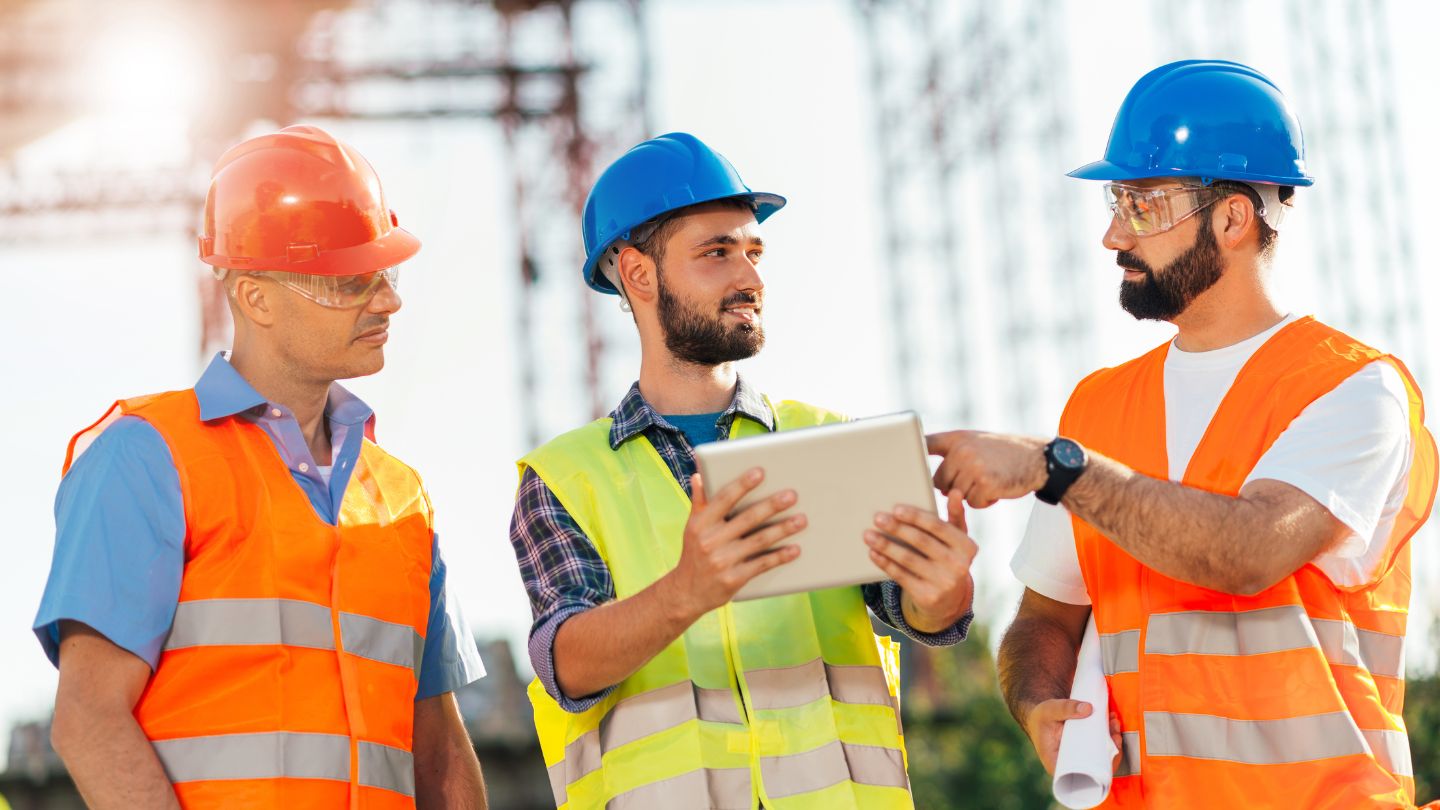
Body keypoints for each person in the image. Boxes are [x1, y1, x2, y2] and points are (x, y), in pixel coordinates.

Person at [926, 60, 1437, 808]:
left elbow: (1247, 553)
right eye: (1117, 201)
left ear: (1231, 219)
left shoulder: (1352, 388)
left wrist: (1055, 468)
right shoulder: (1098, 409)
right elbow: (1045, 619)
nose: (1112, 234)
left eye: (1142, 204)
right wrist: (1038, 704)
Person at [508, 132, 976, 809]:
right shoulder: (564, 478)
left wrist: (945, 589)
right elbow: (567, 666)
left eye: (754, 252)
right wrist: (687, 591)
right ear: (638, 274)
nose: (751, 278)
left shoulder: (827, 439)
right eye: (717, 253)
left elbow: (915, 609)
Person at [34, 126, 488, 809]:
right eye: (350, 281)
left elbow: (440, 748)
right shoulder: (147, 457)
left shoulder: (402, 498)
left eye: (387, 274)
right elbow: (89, 719)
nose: (388, 301)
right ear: (256, 298)